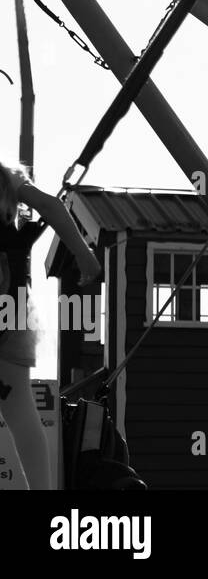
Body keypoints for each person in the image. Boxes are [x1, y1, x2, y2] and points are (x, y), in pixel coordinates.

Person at [0, 163, 100, 490]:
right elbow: (50, 205)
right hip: (11, 306)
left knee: (19, 408)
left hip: (10, 306)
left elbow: (49, 206)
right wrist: (83, 254)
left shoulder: (7, 177)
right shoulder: (8, 178)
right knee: (20, 411)